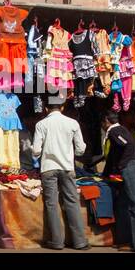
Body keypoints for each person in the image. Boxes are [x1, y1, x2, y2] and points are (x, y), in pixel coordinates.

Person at [31, 101, 89, 250]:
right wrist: (70, 153)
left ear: (46, 108)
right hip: (67, 167)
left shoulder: (41, 124)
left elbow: (36, 150)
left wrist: (35, 152)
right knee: (72, 202)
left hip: (48, 168)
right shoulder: (73, 123)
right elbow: (80, 149)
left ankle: (56, 241)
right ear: (62, 107)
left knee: (51, 204)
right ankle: (80, 242)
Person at [102, 109, 135, 253]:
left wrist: (122, 165)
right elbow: (112, 157)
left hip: (130, 169)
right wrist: (105, 174)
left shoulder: (114, 131)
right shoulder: (119, 131)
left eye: (102, 123)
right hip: (131, 168)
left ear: (106, 121)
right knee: (122, 204)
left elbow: (126, 144)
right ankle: (125, 240)